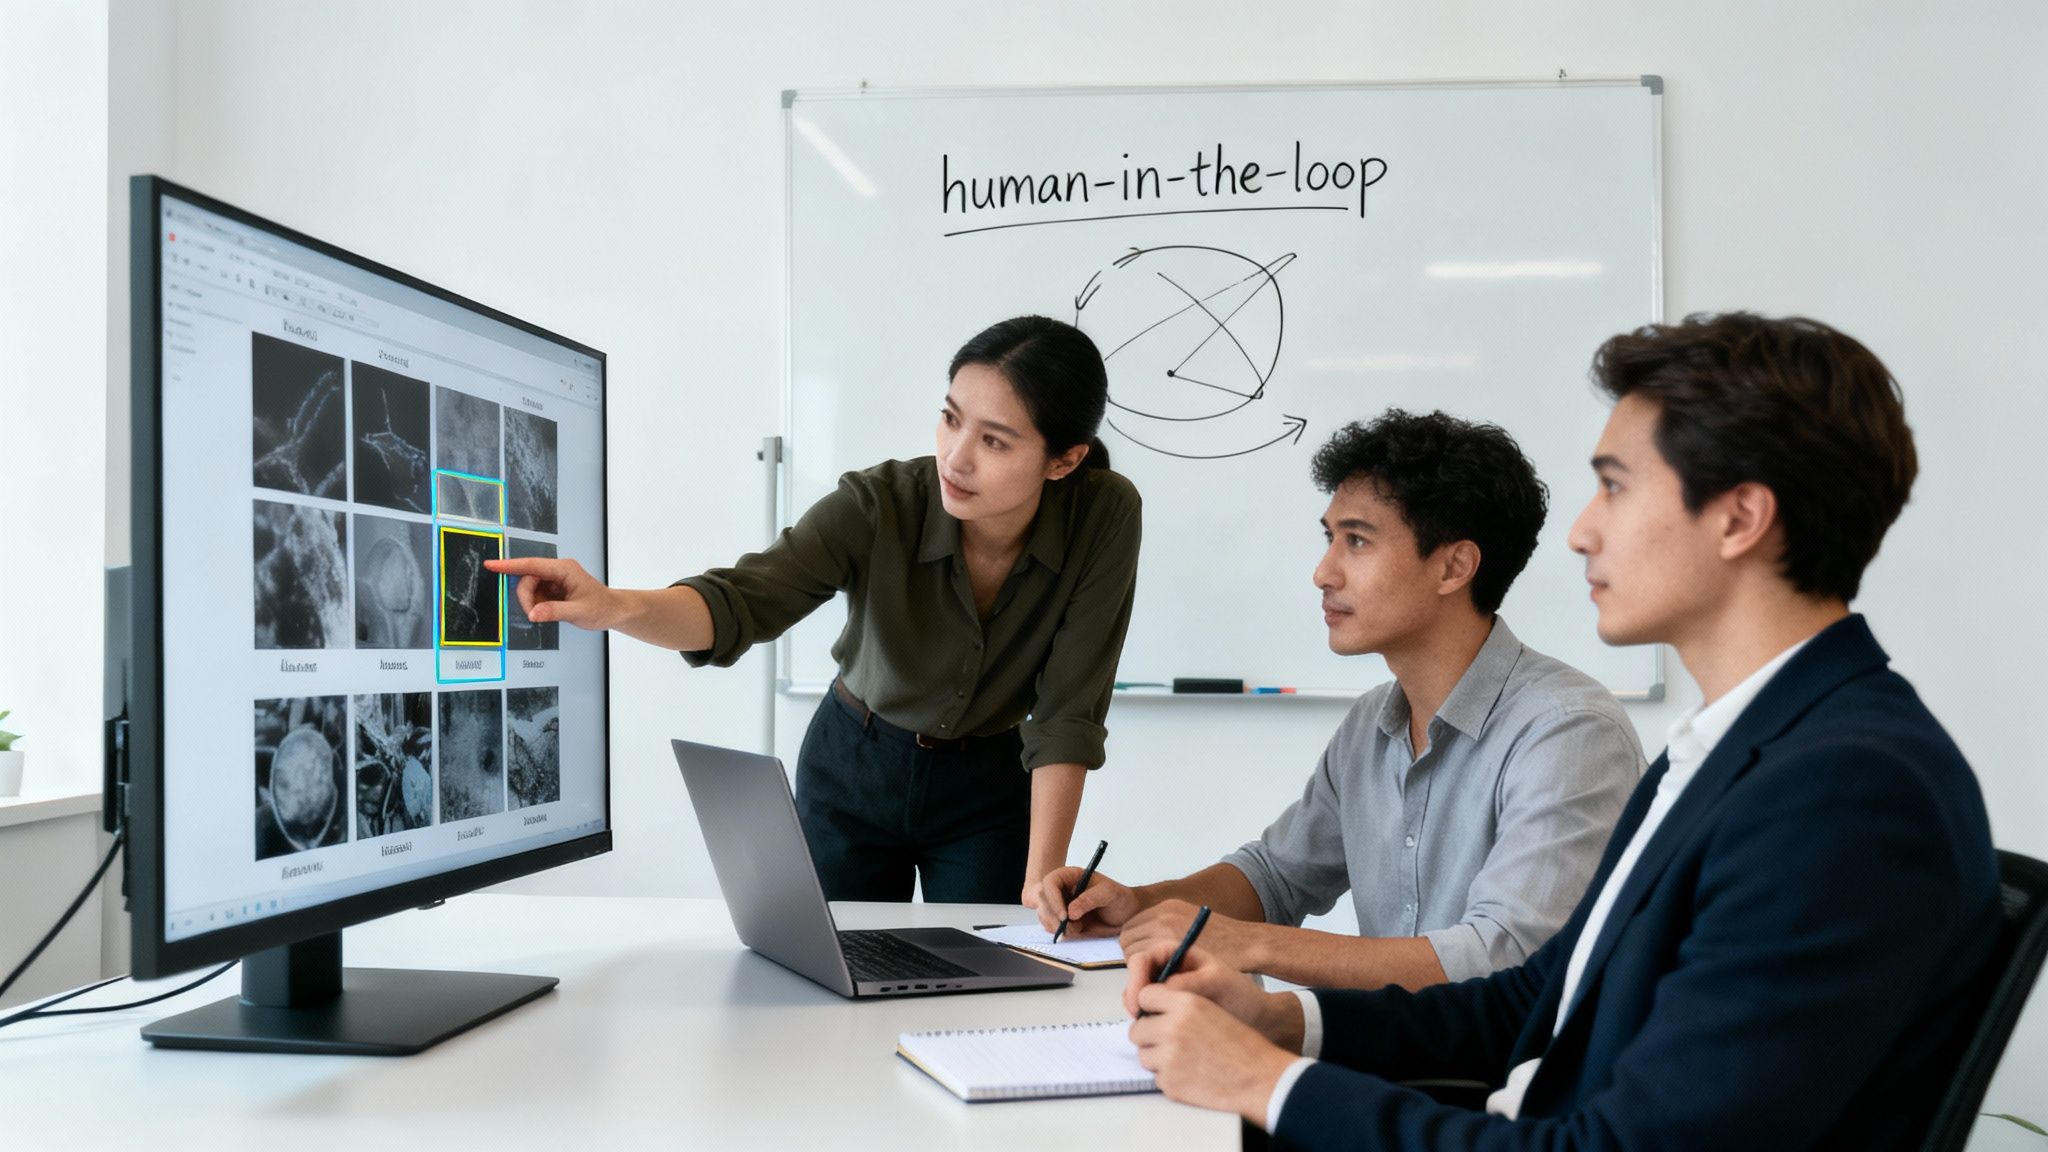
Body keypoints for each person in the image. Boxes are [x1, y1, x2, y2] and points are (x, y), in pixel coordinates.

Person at [1122, 313, 2001, 1150]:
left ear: (1739, 517)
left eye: (1615, 485)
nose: (1581, 532)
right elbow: (1535, 1002)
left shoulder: (1843, 791)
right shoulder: (1731, 750)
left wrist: (1265, 1085)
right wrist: (1282, 1020)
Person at [489, 315, 1141, 905]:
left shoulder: (1105, 515)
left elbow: (1067, 711)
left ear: (1065, 459)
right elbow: (740, 603)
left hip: (989, 787)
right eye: (950, 418)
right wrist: (611, 606)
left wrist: (1041, 880)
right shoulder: (878, 503)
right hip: (855, 766)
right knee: (831, 982)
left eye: (995, 442)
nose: (956, 456)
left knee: (984, 978)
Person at [1037, 410, 1644, 991]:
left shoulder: (1570, 733)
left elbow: (1500, 958)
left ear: (1455, 566)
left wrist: (1249, 946)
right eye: (1330, 538)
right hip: (1389, 1059)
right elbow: (1275, 878)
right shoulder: (1371, 724)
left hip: (1510, 1083)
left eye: (1356, 542)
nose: (1323, 573)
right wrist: (1138, 904)